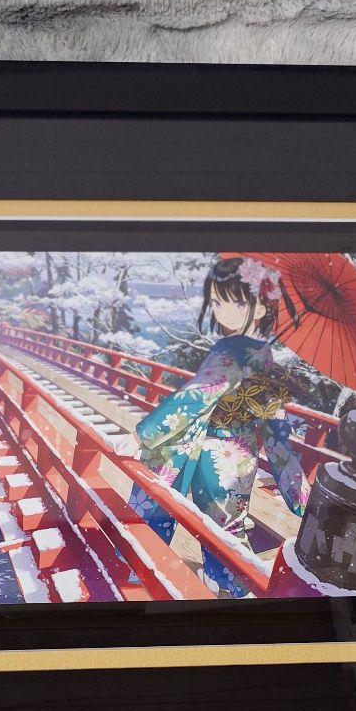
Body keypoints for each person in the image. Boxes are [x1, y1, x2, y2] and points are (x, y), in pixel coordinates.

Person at [129, 256, 308, 598]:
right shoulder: (264, 355)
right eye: (216, 301)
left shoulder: (231, 349)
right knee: (226, 528)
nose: (223, 311)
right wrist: (298, 492)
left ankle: (140, 572)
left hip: (209, 450)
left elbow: (197, 395)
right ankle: (228, 585)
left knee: (169, 509)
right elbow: (275, 426)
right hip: (240, 457)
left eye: (235, 302)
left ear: (260, 308)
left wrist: (142, 433)